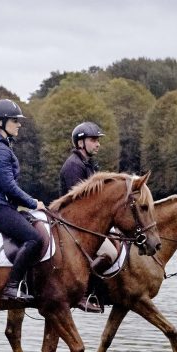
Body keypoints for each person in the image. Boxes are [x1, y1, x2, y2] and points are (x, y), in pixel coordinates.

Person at [0, 99, 46, 303]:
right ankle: (11, 287)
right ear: (1, 123)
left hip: (1, 205)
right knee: (34, 238)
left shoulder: (0, 146)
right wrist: (34, 203)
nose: (19, 124)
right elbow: (9, 187)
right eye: (14, 120)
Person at [59, 121, 118, 312]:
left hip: (88, 223)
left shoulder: (87, 164)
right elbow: (80, 203)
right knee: (110, 253)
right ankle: (83, 293)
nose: (98, 144)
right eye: (93, 140)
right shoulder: (73, 166)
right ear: (80, 143)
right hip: (73, 224)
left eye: (97, 140)